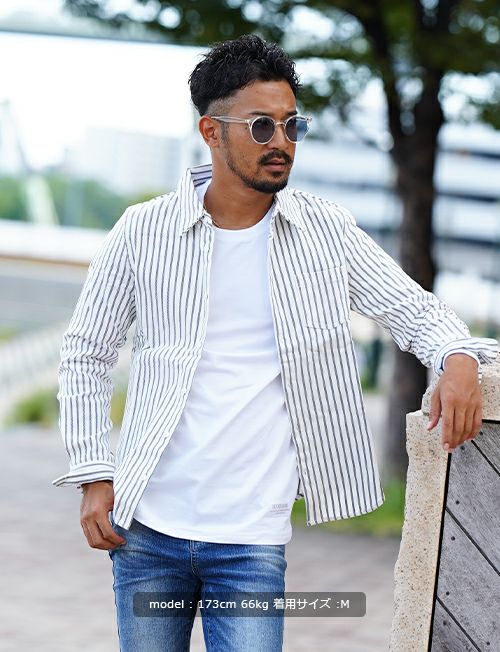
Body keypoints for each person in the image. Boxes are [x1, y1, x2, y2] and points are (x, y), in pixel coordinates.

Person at [52, 34, 498, 651]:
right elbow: (85, 355)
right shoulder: (143, 231)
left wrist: (458, 356)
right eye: (262, 126)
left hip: (252, 539)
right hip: (147, 529)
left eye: (292, 125)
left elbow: (413, 310)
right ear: (211, 132)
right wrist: (93, 475)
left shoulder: (325, 231)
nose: (281, 142)